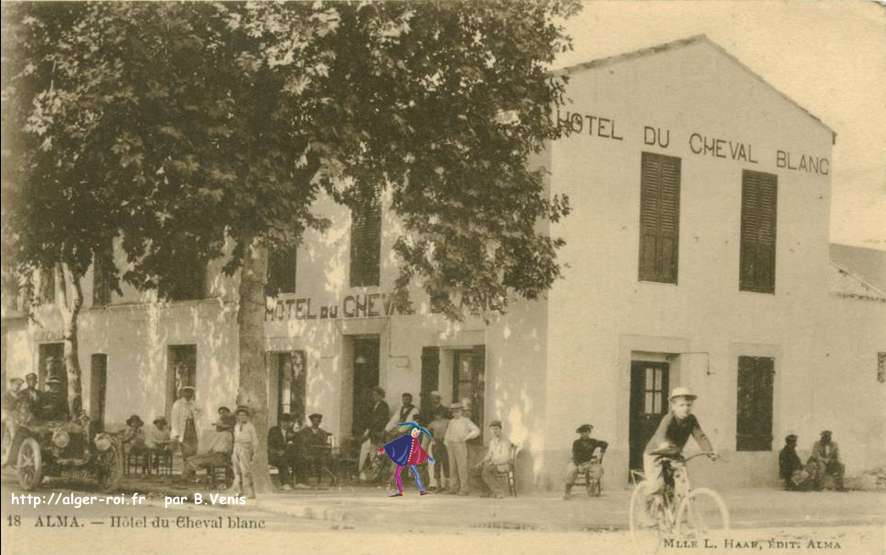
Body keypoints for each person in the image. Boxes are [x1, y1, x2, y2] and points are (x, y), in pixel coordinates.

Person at [643, 387, 717, 497]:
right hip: (655, 453)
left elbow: (700, 436)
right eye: (681, 405)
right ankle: (647, 512)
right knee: (656, 486)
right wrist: (662, 443)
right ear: (673, 406)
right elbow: (660, 434)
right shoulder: (669, 418)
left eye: (688, 405)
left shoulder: (691, 419)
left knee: (682, 483)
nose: (685, 408)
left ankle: (680, 507)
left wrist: (709, 451)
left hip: (673, 454)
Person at [378, 421, 434, 497]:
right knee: (397, 473)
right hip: (404, 459)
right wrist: (383, 449)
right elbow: (394, 443)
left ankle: (421, 490)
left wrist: (428, 457)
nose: (416, 433)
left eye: (417, 432)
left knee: (413, 474)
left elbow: (419, 450)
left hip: (409, 459)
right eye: (415, 431)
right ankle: (399, 489)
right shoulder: (406, 438)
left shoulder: (415, 440)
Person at [181, 413, 234, 484]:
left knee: (190, 460)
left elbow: (219, 450)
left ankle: (185, 479)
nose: (216, 428)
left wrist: (207, 453)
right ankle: (189, 478)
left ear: (221, 427)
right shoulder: (227, 434)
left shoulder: (223, 435)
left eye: (218, 426)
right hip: (220, 457)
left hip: (218, 458)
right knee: (193, 458)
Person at [443, 402, 480, 496]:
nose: (456, 413)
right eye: (454, 412)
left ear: (461, 412)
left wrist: (466, 437)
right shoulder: (451, 421)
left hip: (460, 444)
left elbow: (476, 431)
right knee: (452, 467)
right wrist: (446, 442)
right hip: (451, 445)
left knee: (462, 467)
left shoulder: (466, 421)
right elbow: (448, 433)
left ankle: (464, 489)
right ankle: (453, 488)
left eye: (458, 411)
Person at [564, 424, 609, 499]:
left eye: (586, 432)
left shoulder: (593, 441)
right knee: (570, 471)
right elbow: (575, 455)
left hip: (588, 462)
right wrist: (578, 465)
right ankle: (567, 491)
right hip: (576, 462)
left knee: (599, 469)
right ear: (580, 433)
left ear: (589, 432)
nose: (584, 434)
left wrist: (602, 452)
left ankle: (592, 487)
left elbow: (605, 443)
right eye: (582, 432)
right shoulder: (576, 443)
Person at [472, 420, 512, 498]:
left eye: (496, 429)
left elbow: (505, 457)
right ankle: (486, 491)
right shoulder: (492, 441)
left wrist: (494, 462)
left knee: (486, 471)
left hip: (504, 464)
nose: (494, 431)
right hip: (493, 464)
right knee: (475, 470)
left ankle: (499, 492)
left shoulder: (505, 441)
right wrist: (481, 462)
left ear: (500, 429)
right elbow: (489, 455)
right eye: (492, 429)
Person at [358, 387, 390, 480]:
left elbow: (380, 420)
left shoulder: (384, 406)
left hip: (377, 433)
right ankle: (361, 471)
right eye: (373, 395)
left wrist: (373, 431)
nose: (374, 397)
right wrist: (366, 432)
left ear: (381, 395)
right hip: (371, 433)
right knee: (368, 450)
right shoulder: (374, 406)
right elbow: (370, 420)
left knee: (375, 453)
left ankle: (376, 474)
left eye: (376, 395)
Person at [230, 406, 260, 499]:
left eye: (243, 415)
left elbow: (254, 439)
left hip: (245, 447)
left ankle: (250, 493)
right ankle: (239, 491)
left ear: (247, 416)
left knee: (245, 470)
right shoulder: (236, 426)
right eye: (239, 415)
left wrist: (254, 451)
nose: (241, 417)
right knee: (236, 470)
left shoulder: (250, 426)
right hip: (236, 447)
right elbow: (235, 438)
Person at [427, 392, 450, 491]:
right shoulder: (429, 411)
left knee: (445, 462)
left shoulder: (445, 411)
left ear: (440, 399)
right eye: (432, 398)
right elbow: (427, 428)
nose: (434, 400)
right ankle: (435, 484)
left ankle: (446, 485)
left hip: (444, 440)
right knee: (433, 462)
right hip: (434, 441)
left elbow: (449, 427)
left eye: (436, 398)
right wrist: (430, 440)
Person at [268, 413, 298, 490]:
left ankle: (298, 482)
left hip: (286, 454)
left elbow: (294, 444)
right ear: (280, 422)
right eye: (284, 422)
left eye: (288, 422)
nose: (286, 424)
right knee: (282, 461)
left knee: (299, 459)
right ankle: (285, 483)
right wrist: (277, 451)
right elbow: (270, 444)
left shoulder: (292, 433)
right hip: (274, 454)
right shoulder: (274, 430)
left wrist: (288, 447)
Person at [300, 413, 332, 484]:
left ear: (320, 422)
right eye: (314, 421)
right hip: (307, 452)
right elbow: (302, 442)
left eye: (318, 421)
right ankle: (305, 480)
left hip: (319, 452)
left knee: (323, 459)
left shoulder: (322, 433)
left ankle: (321, 480)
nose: (316, 422)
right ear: (311, 421)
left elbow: (324, 443)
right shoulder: (305, 431)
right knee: (305, 459)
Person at [170, 386, 200, 461]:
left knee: (193, 449)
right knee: (185, 450)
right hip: (183, 430)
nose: (188, 394)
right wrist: (176, 432)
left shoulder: (194, 404)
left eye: (190, 392)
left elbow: (200, 413)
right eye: (187, 392)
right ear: (183, 393)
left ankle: (192, 469)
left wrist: (197, 415)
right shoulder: (178, 404)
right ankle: (186, 469)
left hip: (192, 429)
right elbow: (174, 419)